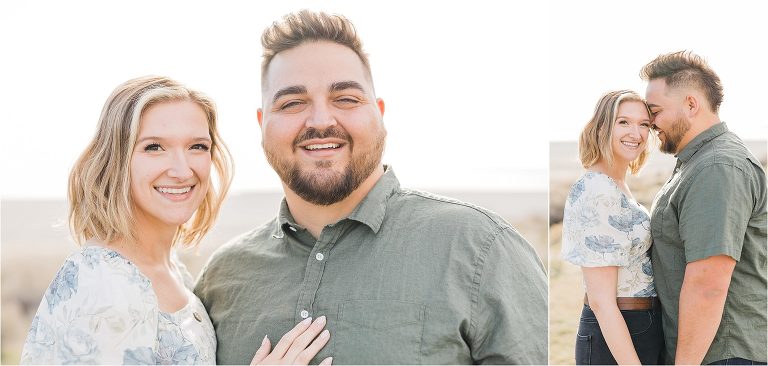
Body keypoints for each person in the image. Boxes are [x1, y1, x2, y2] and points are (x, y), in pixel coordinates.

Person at [194, 9, 548, 365]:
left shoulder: (480, 248)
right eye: (292, 103)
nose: (320, 121)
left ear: (378, 113)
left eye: (346, 99)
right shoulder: (222, 278)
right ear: (262, 123)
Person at [20, 76, 332, 365]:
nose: (182, 170)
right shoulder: (103, 285)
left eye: (197, 146)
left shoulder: (173, 272)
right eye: (154, 147)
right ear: (116, 159)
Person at [641, 51, 767, 365]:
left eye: (654, 111)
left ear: (691, 104)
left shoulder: (717, 167)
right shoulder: (696, 162)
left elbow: (708, 285)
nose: (649, 122)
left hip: (724, 355)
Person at [561, 90, 664, 364]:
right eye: (624, 122)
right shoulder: (598, 190)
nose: (637, 133)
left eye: (644, 124)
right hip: (619, 329)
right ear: (602, 127)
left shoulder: (617, 184)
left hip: (638, 324)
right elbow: (602, 302)